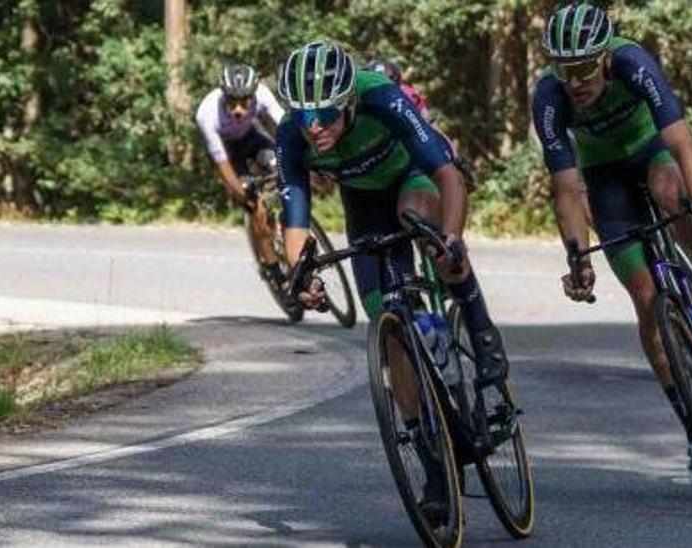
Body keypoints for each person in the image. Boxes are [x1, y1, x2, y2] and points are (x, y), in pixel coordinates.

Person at [530, 2, 692, 488]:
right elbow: (566, 188)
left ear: (604, 58)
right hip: (604, 177)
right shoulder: (550, 98)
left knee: (673, 197)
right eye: (562, 68)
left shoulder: (634, 63)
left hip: (650, 151)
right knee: (645, 298)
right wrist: (576, 255)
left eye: (582, 67)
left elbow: (683, 145)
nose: (573, 80)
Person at [275, 41, 508, 522]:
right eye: (303, 115)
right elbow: (295, 215)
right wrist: (300, 276)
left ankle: (481, 331)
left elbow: (447, 172)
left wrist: (453, 238)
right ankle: (434, 469)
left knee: (425, 230)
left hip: (416, 177)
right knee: (389, 328)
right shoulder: (293, 135)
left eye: (325, 113)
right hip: (364, 207)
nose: (313, 126)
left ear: (350, 101)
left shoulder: (381, 96)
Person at [195, 64, 289, 283]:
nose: (238, 110)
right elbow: (221, 162)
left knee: (283, 166)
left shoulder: (263, 94)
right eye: (231, 103)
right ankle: (273, 268)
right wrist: (242, 193)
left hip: (252, 138)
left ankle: (287, 226)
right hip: (228, 153)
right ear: (223, 97)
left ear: (253, 95)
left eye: (245, 102)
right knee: (254, 205)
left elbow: (285, 125)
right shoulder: (206, 113)